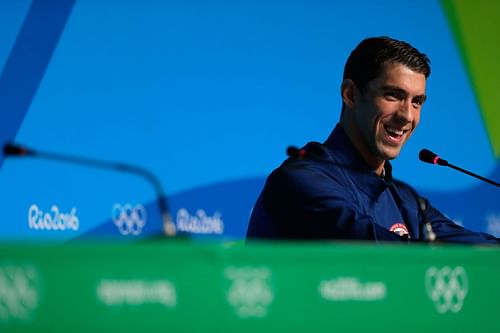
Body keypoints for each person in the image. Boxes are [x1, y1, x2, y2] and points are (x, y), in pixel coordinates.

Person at [246, 36, 499, 244]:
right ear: (350, 95)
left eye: (417, 102)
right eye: (393, 95)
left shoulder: (406, 201)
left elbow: (470, 248)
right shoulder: (300, 180)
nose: (407, 116)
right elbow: (374, 249)